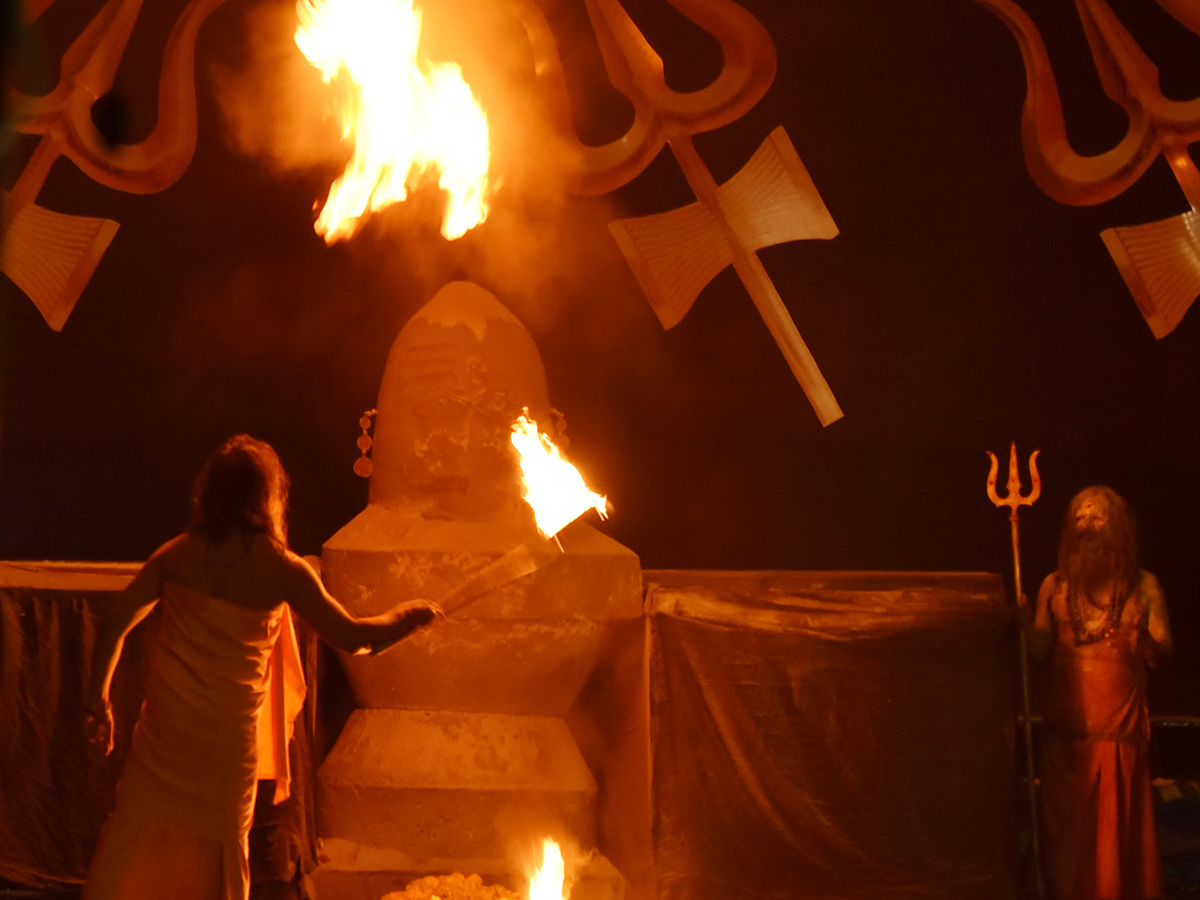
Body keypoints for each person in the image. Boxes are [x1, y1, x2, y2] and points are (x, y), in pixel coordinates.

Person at [80, 435, 439, 900]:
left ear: (211, 491)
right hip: (225, 752)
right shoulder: (283, 570)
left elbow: (116, 622)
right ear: (268, 496)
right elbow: (356, 639)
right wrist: (406, 617)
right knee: (218, 855)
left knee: (135, 841)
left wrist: (98, 700)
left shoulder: (178, 555)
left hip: (166, 739)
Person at [1027, 485, 1172, 900]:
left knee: (1111, 849)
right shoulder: (1053, 586)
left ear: (1118, 529)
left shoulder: (1144, 588)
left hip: (1116, 740)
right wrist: (1020, 624)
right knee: (1065, 846)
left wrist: (1145, 636)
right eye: (1079, 518)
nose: (1085, 525)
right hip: (1064, 738)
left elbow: (1163, 654)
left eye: (1096, 518)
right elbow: (1040, 648)